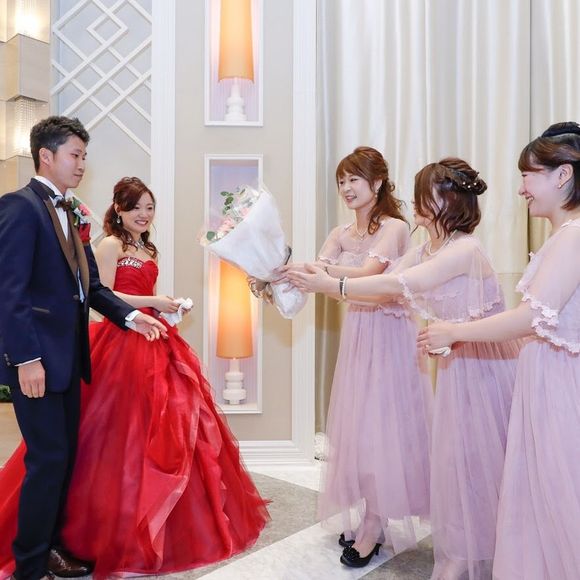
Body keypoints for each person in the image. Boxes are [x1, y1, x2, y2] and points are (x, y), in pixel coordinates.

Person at [0, 176, 267, 579]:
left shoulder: (147, 247)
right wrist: (154, 302)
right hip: (117, 343)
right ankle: (50, 546)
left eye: (149, 207)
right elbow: (100, 292)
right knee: (105, 436)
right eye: (136, 207)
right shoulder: (109, 244)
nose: (144, 214)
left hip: (148, 335)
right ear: (119, 210)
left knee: (161, 428)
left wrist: (163, 309)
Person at [288, 157, 521, 579]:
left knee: (477, 461)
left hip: (487, 363)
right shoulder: (428, 248)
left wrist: (330, 284)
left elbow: (396, 285)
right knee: (452, 462)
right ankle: (460, 551)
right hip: (456, 364)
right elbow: (386, 281)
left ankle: (478, 553)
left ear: (447, 201)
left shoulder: (465, 249)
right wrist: (311, 274)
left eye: (423, 195)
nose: (414, 203)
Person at [0, 117, 166, 580]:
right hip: (36, 362)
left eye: (84, 156)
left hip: (70, 360)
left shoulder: (71, 212)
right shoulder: (19, 207)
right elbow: (9, 293)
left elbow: (90, 287)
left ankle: (50, 548)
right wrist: (26, 359)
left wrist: (132, 317)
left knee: (64, 460)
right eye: (74, 155)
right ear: (46, 156)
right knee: (47, 460)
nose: (81, 164)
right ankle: (29, 566)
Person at [418, 124, 580, 580]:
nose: (521, 188)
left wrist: (456, 331)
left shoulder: (573, 236)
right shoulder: (563, 236)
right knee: (538, 495)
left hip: (559, 382)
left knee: (556, 493)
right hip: (544, 375)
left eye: (528, 175)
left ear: (562, 175)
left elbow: (532, 318)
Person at [281, 147, 432, 568]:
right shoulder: (340, 232)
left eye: (354, 179)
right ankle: (370, 513)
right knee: (360, 427)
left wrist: (316, 274)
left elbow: (368, 276)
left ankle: (374, 524)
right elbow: (319, 270)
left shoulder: (395, 228)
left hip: (390, 335)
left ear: (377, 183)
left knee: (383, 427)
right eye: (341, 181)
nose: (346, 188)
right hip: (359, 335)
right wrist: (280, 271)